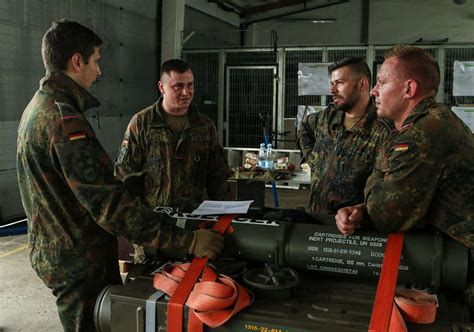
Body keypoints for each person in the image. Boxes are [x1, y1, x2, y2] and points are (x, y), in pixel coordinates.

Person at [16, 19, 223, 331]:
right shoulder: (64, 121)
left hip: (62, 253)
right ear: (76, 61)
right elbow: (109, 205)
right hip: (80, 261)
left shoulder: (39, 108)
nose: (99, 71)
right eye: (96, 61)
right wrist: (188, 240)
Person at [335, 45, 474, 249]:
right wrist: (364, 210)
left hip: (462, 257)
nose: (374, 91)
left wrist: (371, 202)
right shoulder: (433, 120)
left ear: (409, 89)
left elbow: (387, 216)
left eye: (382, 83)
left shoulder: (425, 132)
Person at [115, 59, 231, 208]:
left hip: (192, 216)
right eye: (178, 86)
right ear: (161, 87)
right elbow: (124, 174)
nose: (186, 92)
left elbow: (218, 176)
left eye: (190, 85)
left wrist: (224, 214)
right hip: (154, 219)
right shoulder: (142, 123)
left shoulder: (204, 125)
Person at [298, 57, 389, 215]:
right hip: (316, 215)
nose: (332, 90)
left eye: (340, 83)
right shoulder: (327, 117)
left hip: (351, 225)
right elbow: (304, 128)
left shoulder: (381, 130)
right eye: (332, 84)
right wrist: (313, 158)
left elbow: (383, 188)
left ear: (362, 84)